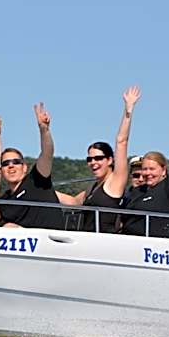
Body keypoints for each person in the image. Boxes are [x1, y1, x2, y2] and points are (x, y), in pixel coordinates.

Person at [0, 102, 64, 229]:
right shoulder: (5, 201)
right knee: (8, 227)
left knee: (9, 227)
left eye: (16, 162)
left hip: (53, 241)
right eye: (6, 164)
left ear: (24, 167)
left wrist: (44, 130)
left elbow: (47, 153)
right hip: (27, 245)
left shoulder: (37, 180)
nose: (11, 166)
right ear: (1, 171)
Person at [56, 85, 141, 233]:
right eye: (89, 159)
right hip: (87, 239)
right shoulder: (93, 187)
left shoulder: (116, 181)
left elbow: (121, 142)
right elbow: (74, 202)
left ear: (110, 160)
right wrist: (42, 190)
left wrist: (129, 109)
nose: (93, 162)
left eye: (98, 158)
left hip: (105, 242)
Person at [119, 113, 169, 238]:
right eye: (144, 169)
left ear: (163, 170)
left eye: (152, 169)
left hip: (160, 248)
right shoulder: (135, 192)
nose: (147, 173)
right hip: (129, 243)